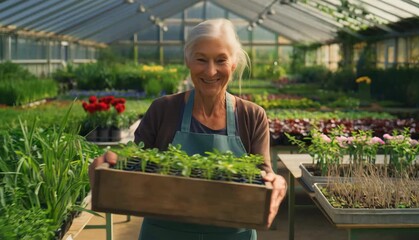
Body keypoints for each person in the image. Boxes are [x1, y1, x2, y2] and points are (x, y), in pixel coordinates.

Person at [89, 18, 287, 240]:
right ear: (188, 61)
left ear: (233, 64)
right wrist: (110, 164)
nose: (211, 71)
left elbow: (264, 172)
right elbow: (135, 162)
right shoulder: (163, 109)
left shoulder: (252, 115)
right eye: (201, 59)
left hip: (233, 234)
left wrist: (276, 181)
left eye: (221, 60)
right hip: (164, 232)